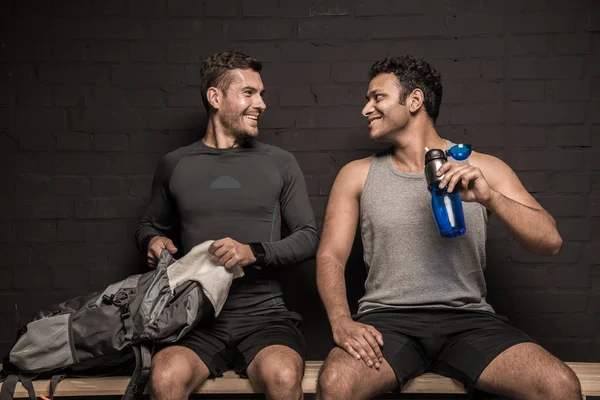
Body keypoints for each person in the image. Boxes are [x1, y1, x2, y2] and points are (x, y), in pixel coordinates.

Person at [315, 55, 581, 399]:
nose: (366, 109)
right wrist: (341, 322)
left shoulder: (484, 167)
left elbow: (551, 241)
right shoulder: (357, 174)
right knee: (336, 383)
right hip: (388, 323)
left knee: (560, 386)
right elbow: (331, 256)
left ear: (414, 101)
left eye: (377, 97)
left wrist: (490, 198)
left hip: (469, 322)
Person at [135, 51, 319, 400]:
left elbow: (308, 238)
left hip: (265, 316)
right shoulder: (175, 164)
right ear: (215, 97)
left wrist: (253, 252)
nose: (261, 103)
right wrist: (153, 241)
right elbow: (148, 225)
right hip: (196, 317)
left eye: (261, 93)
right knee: (164, 377)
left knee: (282, 375)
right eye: (249, 93)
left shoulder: (280, 163)